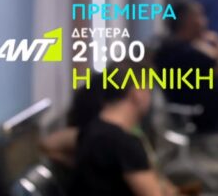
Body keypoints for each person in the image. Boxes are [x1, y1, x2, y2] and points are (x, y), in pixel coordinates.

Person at [71, 61, 177, 196]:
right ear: (137, 93)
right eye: (148, 89)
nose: (150, 97)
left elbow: (50, 144)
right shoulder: (125, 144)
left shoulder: (90, 130)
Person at [155, 2, 218, 133]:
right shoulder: (184, 52)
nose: (205, 20)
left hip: (210, 110)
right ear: (188, 21)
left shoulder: (172, 48)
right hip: (210, 114)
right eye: (200, 16)